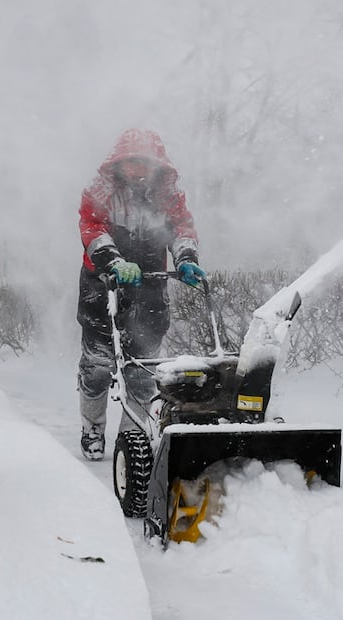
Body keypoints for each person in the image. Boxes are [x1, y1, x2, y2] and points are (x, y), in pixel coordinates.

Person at [76, 129, 206, 460]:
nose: (137, 169)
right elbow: (92, 228)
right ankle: (92, 426)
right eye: (131, 161)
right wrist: (114, 260)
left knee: (143, 369)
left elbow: (182, 228)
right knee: (98, 365)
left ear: (156, 165)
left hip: (150, 289)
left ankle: (130, 440)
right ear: (118, 163)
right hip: (102, 287)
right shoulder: (101, 192)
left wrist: (186, 257)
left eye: (144, 162)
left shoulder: (168, 196)